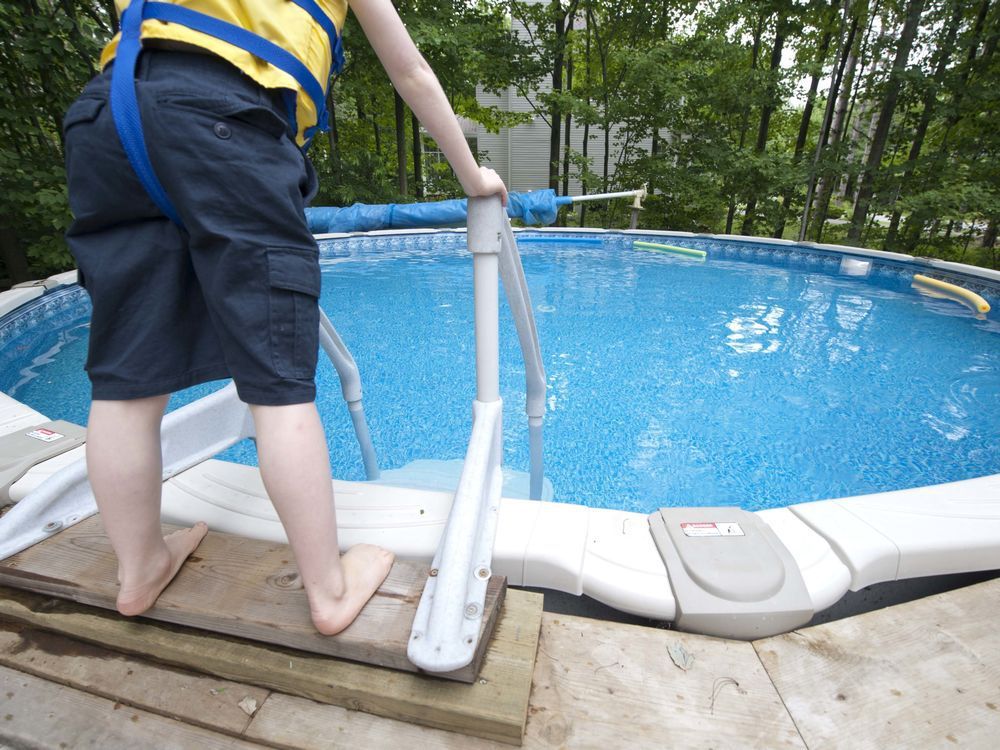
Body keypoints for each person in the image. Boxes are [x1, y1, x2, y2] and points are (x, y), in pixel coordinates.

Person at [63, 0, 507, 636]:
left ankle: (138, 572)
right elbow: (409, 72)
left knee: (127, 375)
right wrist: (473, 174)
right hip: (222, 118)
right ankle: (328, 591)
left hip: (105, 119)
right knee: (278, 381)